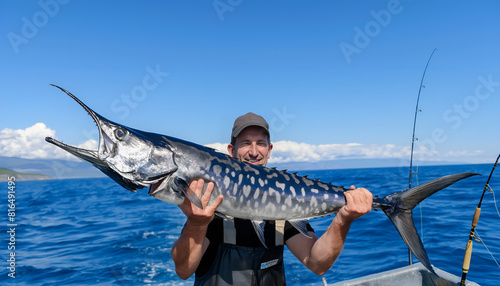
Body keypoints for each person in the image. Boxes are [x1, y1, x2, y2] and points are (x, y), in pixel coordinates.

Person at [171, 112, 373, 285]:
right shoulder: (212, 203)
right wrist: (197, 223)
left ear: (269, 150)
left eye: (260, 143)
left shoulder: (283, 202)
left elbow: (317, 264)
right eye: (245, 144)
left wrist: (343, 220)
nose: (254, 152)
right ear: (231, 151)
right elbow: (183, 270)